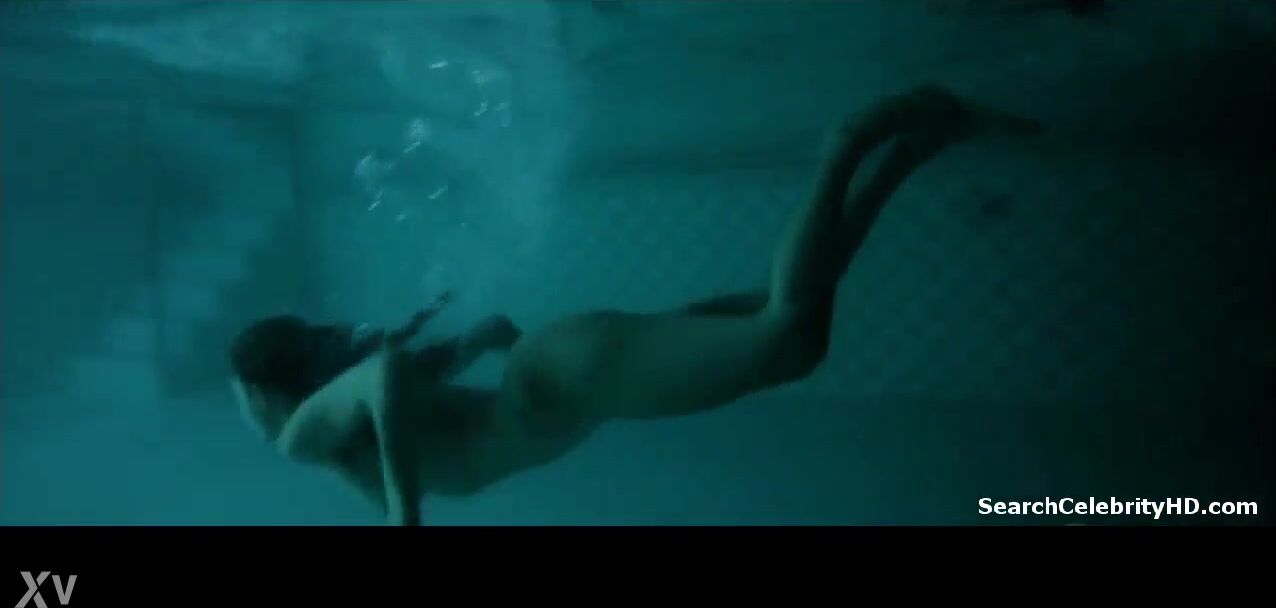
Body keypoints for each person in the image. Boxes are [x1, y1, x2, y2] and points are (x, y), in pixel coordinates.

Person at [229, 85, 1041, 525]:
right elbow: (444, 358)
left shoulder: (302, 438)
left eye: (245, 398)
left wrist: (406, 518)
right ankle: (915, 147)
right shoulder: (346, 449)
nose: (246, 415)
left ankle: (849, 144)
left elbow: (384, 375)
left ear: (269, 393)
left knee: (790, 334)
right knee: (788, 312)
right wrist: (496, 349)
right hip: (566, 372)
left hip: (570, 381)